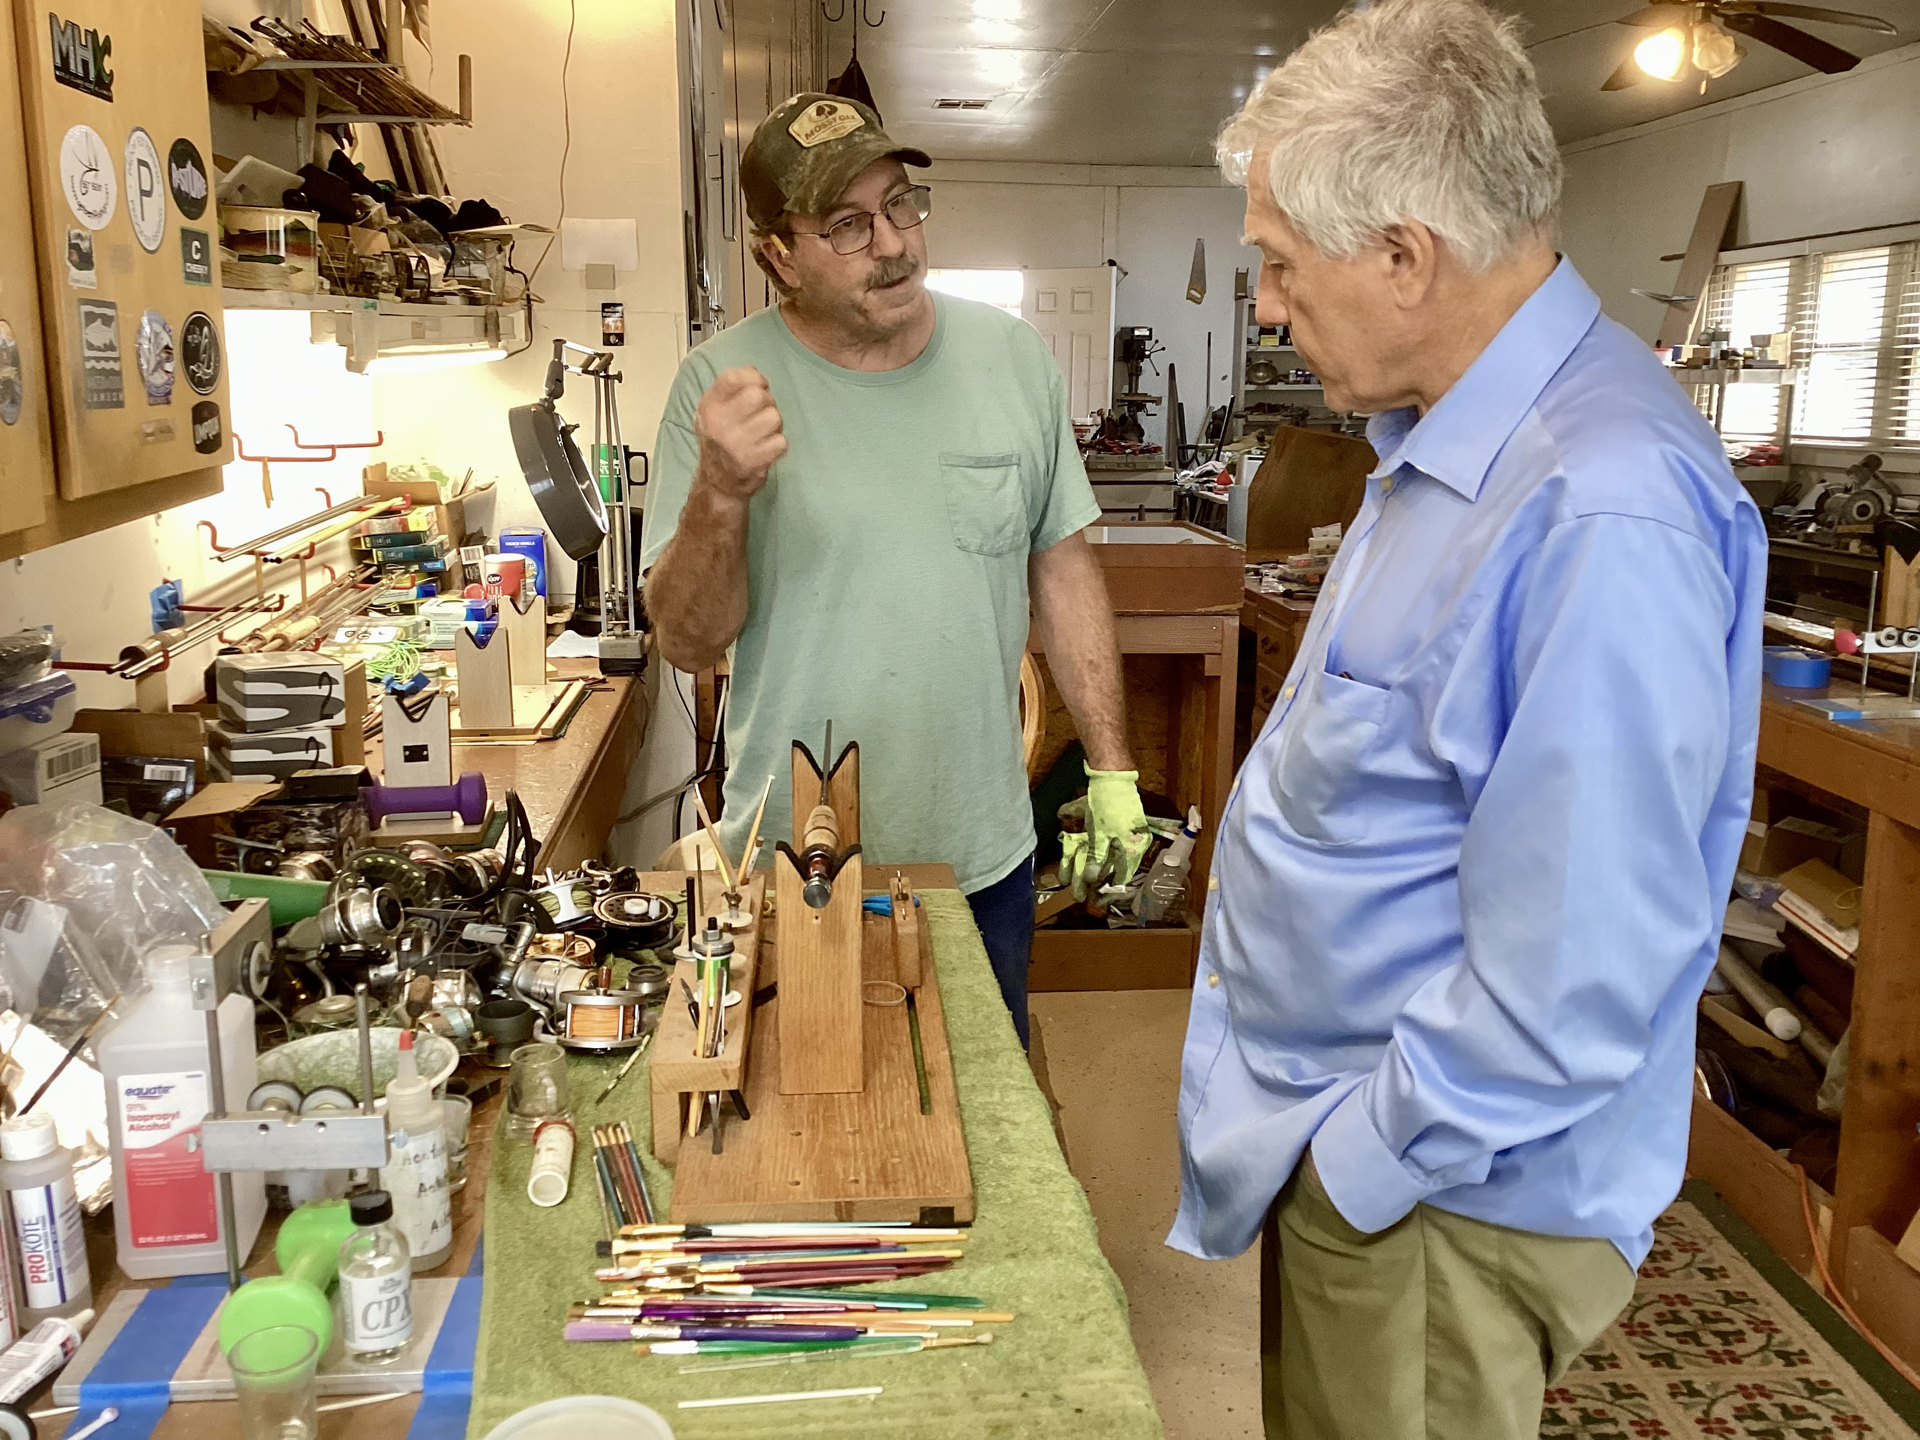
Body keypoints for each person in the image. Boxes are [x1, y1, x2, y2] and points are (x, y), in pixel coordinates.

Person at [1168, 2, 1766, 1435]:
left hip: (1439, 1196)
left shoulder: (1598, 502)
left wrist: (1359, 1161)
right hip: (1384, 1164)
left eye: (1277, 265)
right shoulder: (1450, 443)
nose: (1264, 305)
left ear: (1401, 257)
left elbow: (1578, 966)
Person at [640, 93, 1148, 1046]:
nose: (894, 243)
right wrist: (720, 492)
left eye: (901, 204)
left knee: (984, 1142)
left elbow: (1065, 572)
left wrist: (1114, 766)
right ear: (776, 255)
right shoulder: (718, 387)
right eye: (847, 224)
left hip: (980, 864)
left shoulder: (1010, 358)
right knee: (805, 1136)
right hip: (791, 863)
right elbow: (688, 640)